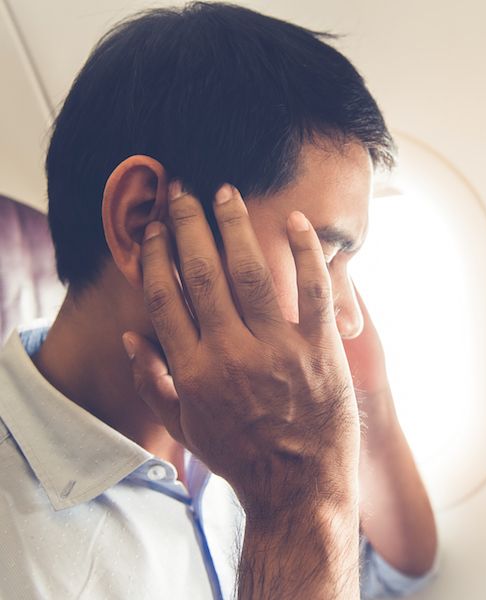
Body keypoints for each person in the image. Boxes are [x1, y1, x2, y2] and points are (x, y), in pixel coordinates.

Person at [0, 2, 437, 598]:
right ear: (142, 220)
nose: (349, 316)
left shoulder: (241, 416)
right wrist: (295, 497)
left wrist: (370, 399)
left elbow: (397, 574)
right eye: (319, 253)